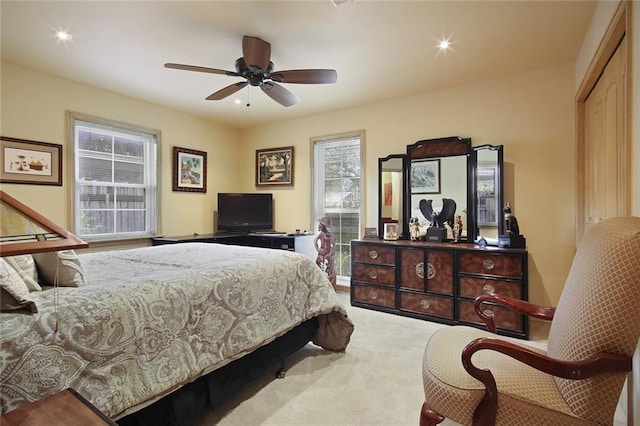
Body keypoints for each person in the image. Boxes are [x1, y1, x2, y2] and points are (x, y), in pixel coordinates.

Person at [314, 216, 336, 290]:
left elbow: (332, 245)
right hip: (322, 255)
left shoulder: (330, 235)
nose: (319, 225)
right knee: (319, 269)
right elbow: (315, 241)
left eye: (320, 224)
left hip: (327, 255)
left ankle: (330, 288)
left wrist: (330, 253)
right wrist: (318, 249)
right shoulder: (321, 234)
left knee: (329, 271)